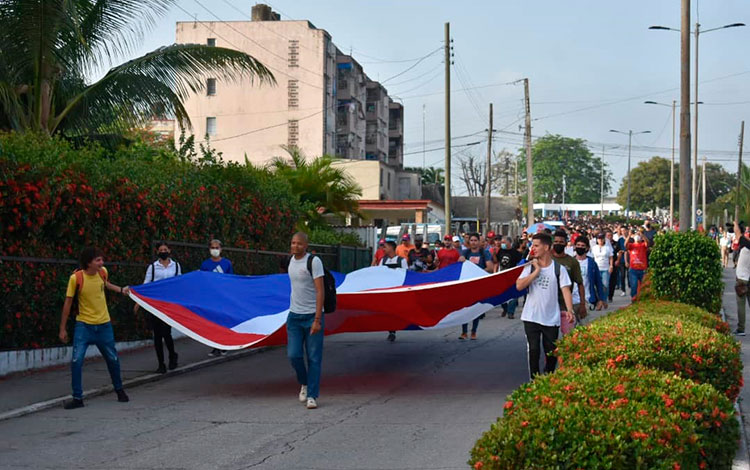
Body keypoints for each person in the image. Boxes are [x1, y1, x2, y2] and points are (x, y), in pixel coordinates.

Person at [58, 247, 131, 409]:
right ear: (88, 263)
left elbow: (106, 285)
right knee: (76, 361)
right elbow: (68, 303)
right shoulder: (76, 278)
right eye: (98, 260)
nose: (102, 263)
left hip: (104, 324)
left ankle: (119, 390)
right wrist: (62, 328)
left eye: (101, 260)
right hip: (84, 325)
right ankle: (78, 398)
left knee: (113, 359)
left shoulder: (102, 272)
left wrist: (121, 290)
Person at [515, 233, 575, 378]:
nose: (532, 248)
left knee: (551, 351)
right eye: (532, 245)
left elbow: (565, 290)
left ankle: (547, 377)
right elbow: (519, 286)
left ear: (546, 247)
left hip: (551, 318)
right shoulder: (529, 267)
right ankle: (534, 381)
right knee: (534, 350)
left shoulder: (558, 269)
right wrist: (536, 272)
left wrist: (570, 310)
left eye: (536, 245)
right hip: (531, 316)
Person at [287, 232, 325, 409]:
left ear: (306, 245)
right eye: (293, 243)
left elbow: (320, 291)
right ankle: (304, 382)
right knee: (294, 355)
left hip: (311, 316)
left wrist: (317, 319)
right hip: (294, 316)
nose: (295, 246)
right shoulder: (291, 261)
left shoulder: (314, 262)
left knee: (314, 358)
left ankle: (312, 395)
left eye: (299, 244)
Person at [135, 241, 181, 373]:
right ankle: (161, 363)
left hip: (169, 304)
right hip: (155, 305)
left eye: (165, 249)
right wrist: (138, 301)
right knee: (157, 335)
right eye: (161, 250)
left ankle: (172, 356)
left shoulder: (176, 266)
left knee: (166, 333)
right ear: (157, 252)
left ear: (169, 250)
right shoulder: (153, 267)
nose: (163, 252)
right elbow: (146, 284)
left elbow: (179, 284)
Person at [458, 233, 494, 340]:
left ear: (479, 242)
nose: (473, 242)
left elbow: (490, 268)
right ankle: (464, 332)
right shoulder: (465, 253)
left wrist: (477, 272)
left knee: (476, 309)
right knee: (464, 309)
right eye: (471, 240)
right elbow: (458, 266)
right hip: (466, 285)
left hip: (478, 285)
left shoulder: (484, 253)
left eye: (475, 240)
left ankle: (473, 332)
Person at [201, 239, 233, 356]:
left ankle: (225, 344)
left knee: (224, 321)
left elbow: (231, 280)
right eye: (212, 248)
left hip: (224, 296)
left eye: (217, 247)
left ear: (221, 249)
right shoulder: (205, 264)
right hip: (211, 297)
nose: (215, 250)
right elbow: (203, 280)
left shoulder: (227, 263)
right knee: (213, 322)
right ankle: (215, 346)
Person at [551, 231, 587, 322]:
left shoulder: (572, 262)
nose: (558, 244)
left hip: (565, 304)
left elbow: (580, 284)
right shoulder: (547, 259)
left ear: (566, 244)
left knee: (567, 332)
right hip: (549, 303)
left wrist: (582, 304)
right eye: (556, 242)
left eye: (561, 242)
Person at [380, 241, 408, 341]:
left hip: (398, 289)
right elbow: (379, 274)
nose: (383, 249)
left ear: (391, 248)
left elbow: (405, 274)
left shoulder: (402, 261)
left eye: (385, 247)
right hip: (387, 289)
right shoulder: (383, 261)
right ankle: (391, 330)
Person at [573, 236, 607, 311]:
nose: (580, 247)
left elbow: (598, 282)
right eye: (578, 245)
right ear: (575, 247)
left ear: (587, 248)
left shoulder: (591, 263)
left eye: (582, 246)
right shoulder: (571, 262)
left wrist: (601, 299)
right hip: (572, 300)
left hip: (587, 300)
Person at [496, 236, 522, 319]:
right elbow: (497, 262)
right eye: (502, 242)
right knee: (501, 295)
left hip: (512, 276)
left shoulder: (515, 253)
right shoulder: (500, 251)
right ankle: (505, 308)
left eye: (504, 242)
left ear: (509, 242)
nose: (502, 244)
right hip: (502, 275)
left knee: (513, 295)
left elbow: (520, 264)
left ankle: (511, 312)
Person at [733, 222, 750, 336]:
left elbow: (738, 233)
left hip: (742, 279)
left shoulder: (745, 245)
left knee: (741, 306)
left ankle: (741, 329)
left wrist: (735, 223)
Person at [625, 229, 649, 299]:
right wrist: (629, 236)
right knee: (634, 285)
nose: (637, 237)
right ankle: (634, 298)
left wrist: (642, 235)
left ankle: (643, 299)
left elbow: (647, 242)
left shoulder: (643, 245)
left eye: (638, 236)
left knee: (643, 286)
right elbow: (625, 245)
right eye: (636, 235)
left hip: (643, 269)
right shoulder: (631, 245)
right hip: (633, 269)